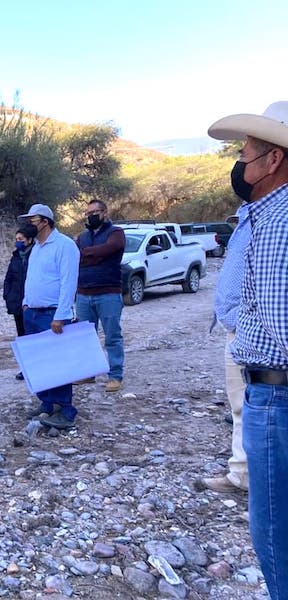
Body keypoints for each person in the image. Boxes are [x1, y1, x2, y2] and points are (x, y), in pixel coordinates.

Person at [208, 100, 288, 600]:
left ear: (274, 160)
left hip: (278, 393)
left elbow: (282, 323)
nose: (241, 163)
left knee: (275, 529)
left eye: (246, 153)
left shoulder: (277, 219)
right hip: (270, 386)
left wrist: (248, 327)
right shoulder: (260, 215)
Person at [201, 202, 251, 494]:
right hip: (235, 326)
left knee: (264, 406)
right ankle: (241, 473)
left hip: (257, 327)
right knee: (240, 405)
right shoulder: (246, 221)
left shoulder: (274, 218)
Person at [18, 203, 79, 429]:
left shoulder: (64, 246)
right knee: (40, 361)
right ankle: (47, 402)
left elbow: (68, 282)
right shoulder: (37, 247)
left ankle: (66, 410)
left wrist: (61, 314)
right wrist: (25, 303)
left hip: (51, 313)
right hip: (32, 313)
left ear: (45, 221)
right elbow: (32, 278)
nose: (28, 225)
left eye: (32, 220)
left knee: (58, 362)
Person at [75, 200, 126, 392]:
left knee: (112, 336)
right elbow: (77, 256)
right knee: (85, 337)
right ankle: (88, 373)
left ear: (105, 213)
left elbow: (110, 248)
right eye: (88, 213)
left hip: (109, 293)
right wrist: (94, 256)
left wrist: (86, 254)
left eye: (95, 212)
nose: (91, 216)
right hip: (83, 293)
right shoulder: (83, 236)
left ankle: (115, 376)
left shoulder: (116, 233)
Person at [3, 224, 38, 380]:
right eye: (16, 239)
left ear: (30, 240)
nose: (18, 242)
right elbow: (9, 277)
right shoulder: (16, 256)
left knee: (34, 336)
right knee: (22, 337)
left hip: (32, 304)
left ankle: (39, 366)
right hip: (17, 303)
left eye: (21, 239)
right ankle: (26, 368)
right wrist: (7, 295)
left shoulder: (37, 254)